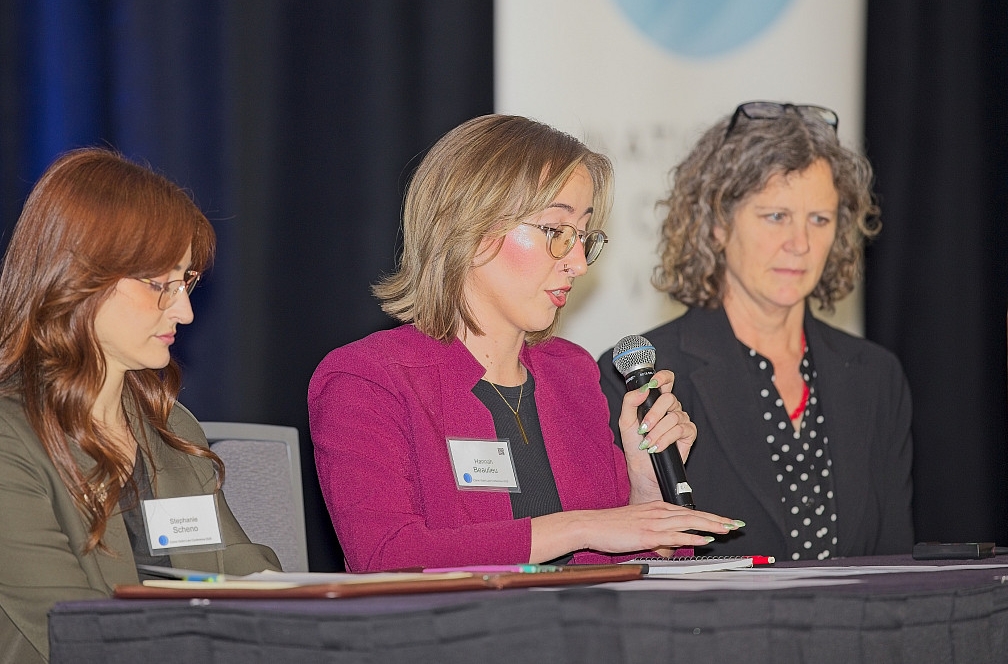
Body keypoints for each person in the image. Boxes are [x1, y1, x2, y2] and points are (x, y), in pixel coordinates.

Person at [308, 114, 741, 572]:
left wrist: (646, 487)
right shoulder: (367, 379)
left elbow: (612, 565)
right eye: (556, 232)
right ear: (469, 229)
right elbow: (386, 558)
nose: (578, 263)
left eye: (583, 237)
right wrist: (579, 526)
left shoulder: (570, 371)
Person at [0, 149, 281, 663]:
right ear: (77, 281)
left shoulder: (169, 428)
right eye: (159, 284)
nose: (183, 310)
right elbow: (84, 638)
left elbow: (241, 571)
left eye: (185, 281)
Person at [598, 102, 914, 560]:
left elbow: (897, 569)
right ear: (717, 226)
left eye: (820, 219)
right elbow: (626, 574)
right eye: (776, 216)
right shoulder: (640, 379)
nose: (800, 243)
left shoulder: (876, 376)